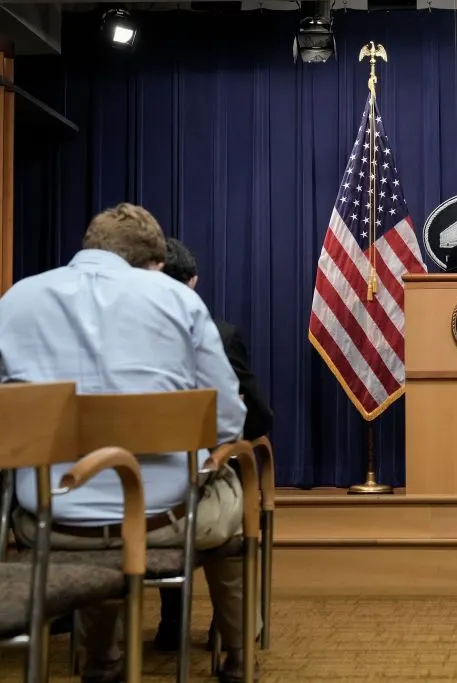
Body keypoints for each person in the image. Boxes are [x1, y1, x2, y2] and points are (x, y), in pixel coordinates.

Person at [0, 203, 255, 683]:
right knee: (233, 496)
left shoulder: (16, 299)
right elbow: (227, 418)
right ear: (155, 261)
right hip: (166, 522)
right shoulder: (176, 299)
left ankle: (102, 658)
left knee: (87, 518)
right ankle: (239, 655)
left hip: (51, 522)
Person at [153, 237, 273, 651]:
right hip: (199, 481)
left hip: (115, 484)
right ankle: (234, 636)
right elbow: (258, 419)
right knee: (227, 481)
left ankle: (170, 623)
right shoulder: (219, 335)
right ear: (194, 281)